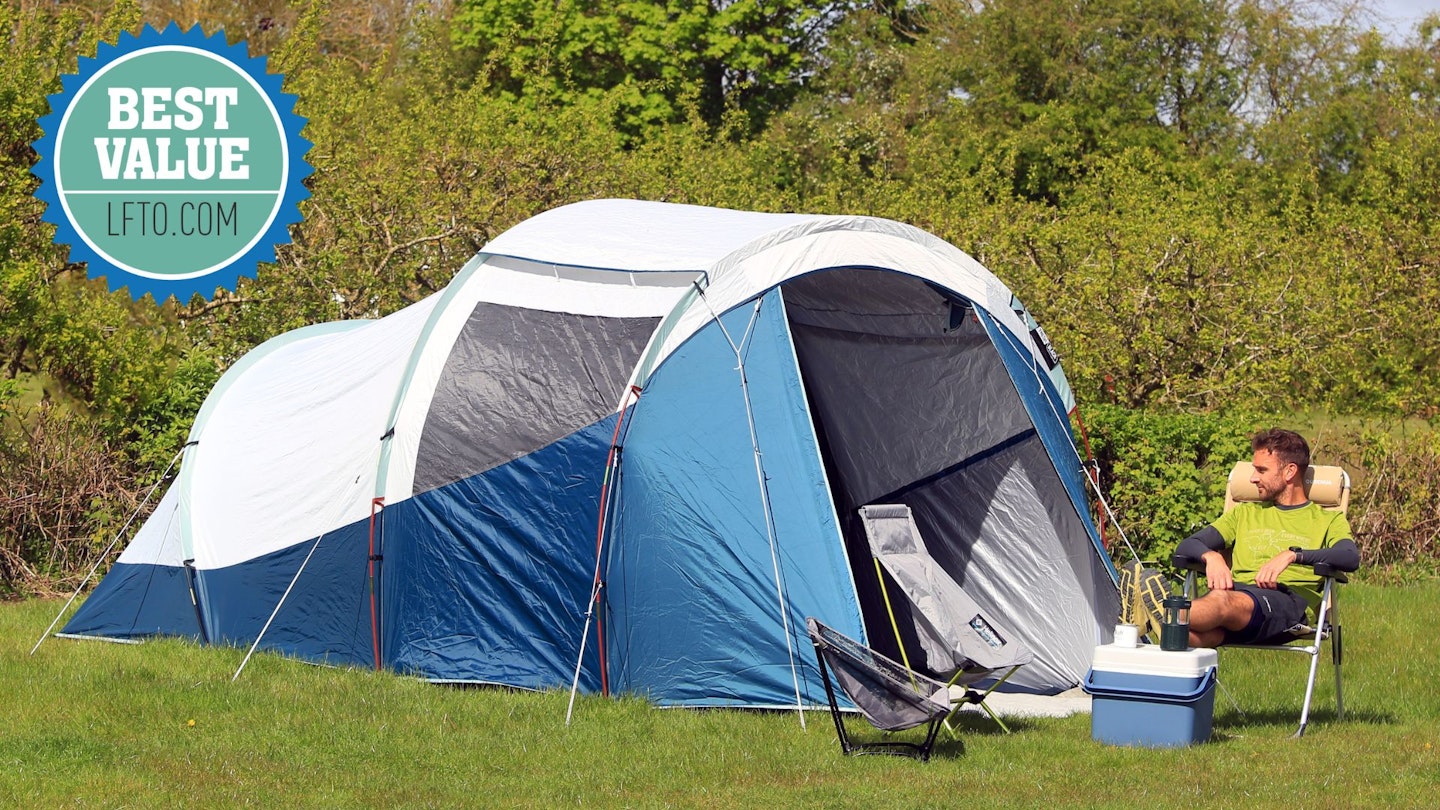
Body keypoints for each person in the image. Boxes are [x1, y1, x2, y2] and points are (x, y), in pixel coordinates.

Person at [1174, 428, 1360, 648]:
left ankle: (1164, 614)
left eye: (1262, 470)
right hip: (1240, 605)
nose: (1253, 478)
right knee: (1182, 638)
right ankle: (1165, 622)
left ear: (1289, 472)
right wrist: (1211, 557)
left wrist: (1294, 556)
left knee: (1221, 600)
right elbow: (1186, 546)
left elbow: (1349, 557)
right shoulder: (1244, 513)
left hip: (1288, 605)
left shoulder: (1327, 520)